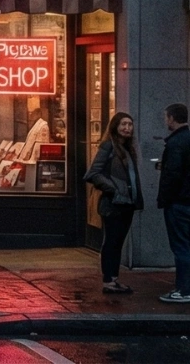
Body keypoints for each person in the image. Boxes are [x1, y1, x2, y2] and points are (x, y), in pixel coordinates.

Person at [84, 111, 143, 294]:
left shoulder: (127, 149)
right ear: (115, 126)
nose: (127, 128)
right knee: (111, 242)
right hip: (112, 204)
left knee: (118, 242)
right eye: (123, 124)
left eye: (130, 125)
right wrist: (114, 189)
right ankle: (108, 280)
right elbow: (93, 174)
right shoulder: (108, 146)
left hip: (127, 204)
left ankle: (114, 279)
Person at [158, 102, 190, 303]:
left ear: (172, 118)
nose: (165, 121)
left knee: (181, 246)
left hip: (178, 202)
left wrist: (165, 199)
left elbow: (173, 175)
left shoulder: (176, 143)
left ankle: (184, 289)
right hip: (186, 199)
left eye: (166, 117)